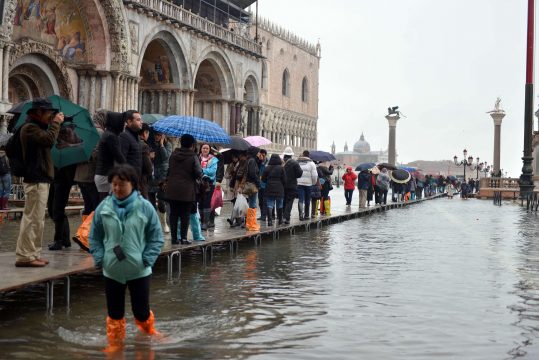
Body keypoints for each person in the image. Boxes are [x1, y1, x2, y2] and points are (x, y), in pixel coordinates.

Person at [89, 164, 164, 353]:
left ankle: (148, 337)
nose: (116, 188)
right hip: (112, 269)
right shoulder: (103, 207)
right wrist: (100, 258)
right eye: (113, 184)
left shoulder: (145, 207)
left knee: (141, 311)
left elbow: (156, 237)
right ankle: (115, 345)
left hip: (139, 269)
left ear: (132, 184)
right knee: (114, 313)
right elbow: (94, 236)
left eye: (121, 184)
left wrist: (147, 259)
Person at [15, 98, 64, 267]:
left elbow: (48, 141)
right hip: (35, 177)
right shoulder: (29, 128)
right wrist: (56, 124)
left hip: (41, 177)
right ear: (38, 112)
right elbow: (48, 140)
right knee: (32, 219)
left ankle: (33, 253)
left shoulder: (37, 128)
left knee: (38, 219)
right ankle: (24, 256)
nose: (51, 116)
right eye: (49, 113)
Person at [164, 134, 203, 244]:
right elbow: (198, 173)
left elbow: (169, 169)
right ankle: (183, 238)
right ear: (192, 145)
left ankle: (174, 238)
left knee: (173, 214)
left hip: (172, 189)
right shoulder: (193, 156)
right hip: (186, 191)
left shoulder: (173, 154)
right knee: (185, 214)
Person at [95, 111, 126, 201]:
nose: (124, 125)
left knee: (104, 202)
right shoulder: (111, 137)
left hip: (102, 173)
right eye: (122, 122)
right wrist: (128, 168)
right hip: (105, 174)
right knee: (107, 203)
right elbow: (119, 156)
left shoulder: (107, 134)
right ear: (116, 122)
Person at [47, 164, 76, 250]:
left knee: (57, 210)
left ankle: (58, 240)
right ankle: (65, 240)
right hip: (54, 178)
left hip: (64, 178)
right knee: (51, 209)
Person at [150, 131, 172, 233]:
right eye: (156, 135)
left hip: (163, 175)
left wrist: (162, 144)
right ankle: (155, 223)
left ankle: (164, 224)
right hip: (154, 174)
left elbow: (165, 157)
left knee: (161, 200)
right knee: (151, 199)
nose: (157, 137)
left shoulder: (168, 144)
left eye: (159, 135)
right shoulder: (152, 144)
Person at [198, 143, 219, 230]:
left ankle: (206, 222)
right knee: (200, 203)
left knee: (207, 202)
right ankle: (202, 221)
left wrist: (201, 170)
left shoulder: (214, 160)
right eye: (204, 148)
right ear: (201, 149)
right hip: (199, 183)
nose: (205, 150)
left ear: (209, 149)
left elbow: (212, 172)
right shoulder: (197, 158)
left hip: (209, 184)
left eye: (207, 148)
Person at [261, 154, 286, 226]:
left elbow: (263, 179)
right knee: (280, 204)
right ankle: (280, 221)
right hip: (279, 188)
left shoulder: (267, 168)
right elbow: (284, 180)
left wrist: (268, 181)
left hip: (269, 188)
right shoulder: (281, 168)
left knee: (270, 204)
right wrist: (282, 185)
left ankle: (269, 221)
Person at [282, 147, 302, 224]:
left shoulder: (282, 163)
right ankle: (286, 218)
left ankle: (282, 217)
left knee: (284, 201)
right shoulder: (295, 163)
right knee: (289, 201)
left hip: (283, 185)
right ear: (291, 155)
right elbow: (299, 174)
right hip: (292, 185)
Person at [119, 110, 143, 176]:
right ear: (129, 122)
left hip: (135, 178)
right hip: (128, 179)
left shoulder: (136, 137)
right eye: (138, 120)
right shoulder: (124, 136)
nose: (141, 122)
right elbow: (121, 161)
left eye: (141, 120)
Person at [244, 146, 262, 231]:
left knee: (252, 203)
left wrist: (260, 160)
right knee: (253, 204)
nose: (259, 154)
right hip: (253, 185)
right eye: (258, 152)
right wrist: (258, 183)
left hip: (251, 184)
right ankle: (252, 224)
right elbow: (253, 173)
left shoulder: (250, 160)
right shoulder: (252, 161)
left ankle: (250, 223)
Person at [297, 150, 318, 220]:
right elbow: (315, 176)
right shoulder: (312, 164)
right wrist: (313, 183)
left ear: (303, 155)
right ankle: (306, 215)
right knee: (307, 200)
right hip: (309, 184)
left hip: (299, 184)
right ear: (309, 156)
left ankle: (300, 214)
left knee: (301, 199)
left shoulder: (298, 163)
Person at [138, 123, 153, 199]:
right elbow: (148, 167)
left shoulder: (132, 141)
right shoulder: (144, 146)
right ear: (145, 133)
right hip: (141, 179)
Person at [256, 149, 268, 221]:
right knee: (260, 201)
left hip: (266, 185)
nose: (262, 157)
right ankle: (262, 215)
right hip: (260, 185)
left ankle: (264, 216)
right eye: (261, 155)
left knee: (264, 201)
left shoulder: (267, 163)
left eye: (263, 155)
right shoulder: (258, 162)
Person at [0, 146, 11, 210]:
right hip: (6, 175)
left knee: (0, 191)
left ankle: (0, 206)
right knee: (7, 191)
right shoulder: (7, 156)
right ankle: (4, 206)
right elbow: (10, 165)